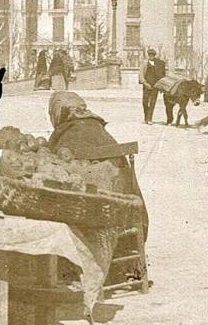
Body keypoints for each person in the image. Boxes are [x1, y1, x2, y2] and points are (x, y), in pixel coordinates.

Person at [48, 91, 150, 289]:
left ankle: (79, 265)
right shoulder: (99, 130)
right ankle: (124, 266)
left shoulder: (66, 134)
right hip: (127, 208)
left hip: (95, 212)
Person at [141, 48, 167, 123]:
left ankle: (149, 119)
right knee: (145, 102)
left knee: (152, 102)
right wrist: (145, 83)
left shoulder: (159, 63)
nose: (151, 56)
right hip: (146, 85)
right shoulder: (144, 63)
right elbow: (141, 75)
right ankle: (146, 117)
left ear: (154, 55)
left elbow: (163, 75)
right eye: (150, 55)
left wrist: (161, 86)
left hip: (155, 86)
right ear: (148, 55)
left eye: (152, 55)